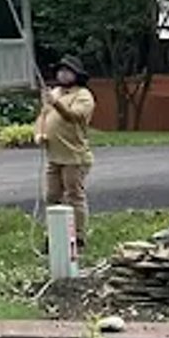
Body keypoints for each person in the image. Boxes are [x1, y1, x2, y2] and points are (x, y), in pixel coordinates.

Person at [35, 57, 97, 253]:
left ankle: (78, 237)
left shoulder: (84, 96)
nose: (63, 74)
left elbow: (74, 116)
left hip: (74, 157)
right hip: (54, 156)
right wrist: (39, 133)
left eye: (68, 71)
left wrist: (57, 104)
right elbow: (43, 116)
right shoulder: (54, 93)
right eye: (60, 70)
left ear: (77, 75)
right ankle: (54, 236)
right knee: (52, 196)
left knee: (74, 196)